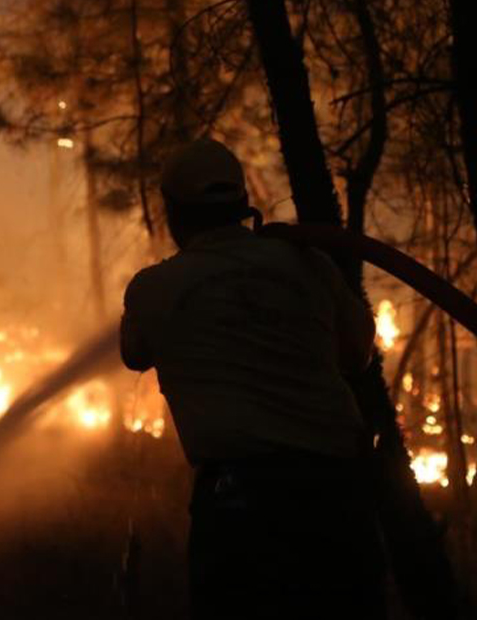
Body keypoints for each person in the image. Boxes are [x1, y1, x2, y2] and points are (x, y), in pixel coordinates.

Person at [119, 138, 384, 618]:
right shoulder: (310, 264)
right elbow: (359, 354)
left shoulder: (154, 289)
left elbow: (134, 354)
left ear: (173, 213)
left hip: (240, 506)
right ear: (244, 204)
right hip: (337, 496)